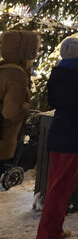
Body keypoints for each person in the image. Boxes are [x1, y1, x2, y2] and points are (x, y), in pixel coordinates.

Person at [35, 37, 78, 239]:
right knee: (61, 187)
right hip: (75, 133)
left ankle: (54, 229)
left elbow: (52, 101)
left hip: (59, 130)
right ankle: (47, 234)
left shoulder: (57, 72)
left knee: (57, 184)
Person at [0, 30, 40, 168]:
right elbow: (10, 112)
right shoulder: (16, 74)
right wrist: (26, 108)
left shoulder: (3, 68)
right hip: (3, 140)